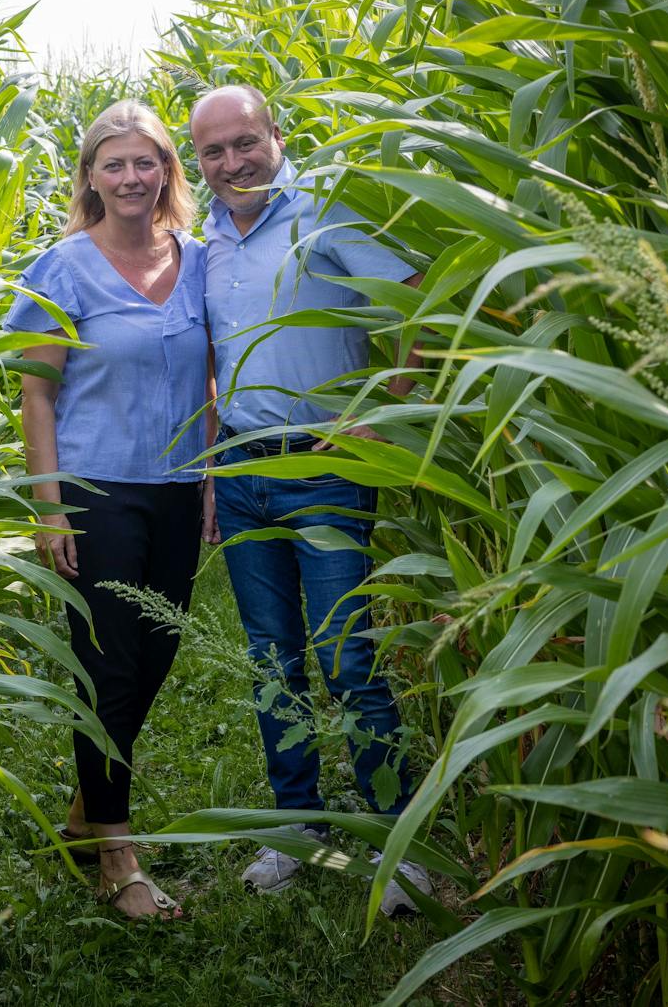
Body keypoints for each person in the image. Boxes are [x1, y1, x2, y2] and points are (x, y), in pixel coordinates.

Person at [190, 84, 432, 915]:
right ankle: (295, 829)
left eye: (244, 142)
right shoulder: (207, 245)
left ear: (275, 136)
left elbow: (416, 297)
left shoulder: (326, 211)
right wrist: (215, 472)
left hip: (325, 468)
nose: (232, 163)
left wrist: (378, 412)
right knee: (272, 659)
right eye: (214, 152)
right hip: (247, 472)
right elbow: (214, 364)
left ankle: (398, 839)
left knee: (349, 660)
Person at [4, 99, 214, 920]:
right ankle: (117, 857)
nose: (132, 177)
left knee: (156, 652)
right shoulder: (62, 267)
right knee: (111, 667)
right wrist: (49, 509)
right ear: (90, 176)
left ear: (167, 170)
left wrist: (206, 479)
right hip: (96, 487)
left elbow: (209, 374)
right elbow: (37, 394)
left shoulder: (197, 259)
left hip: (175, 485)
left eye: (146, 161)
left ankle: (84, 817)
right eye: (114, 164)